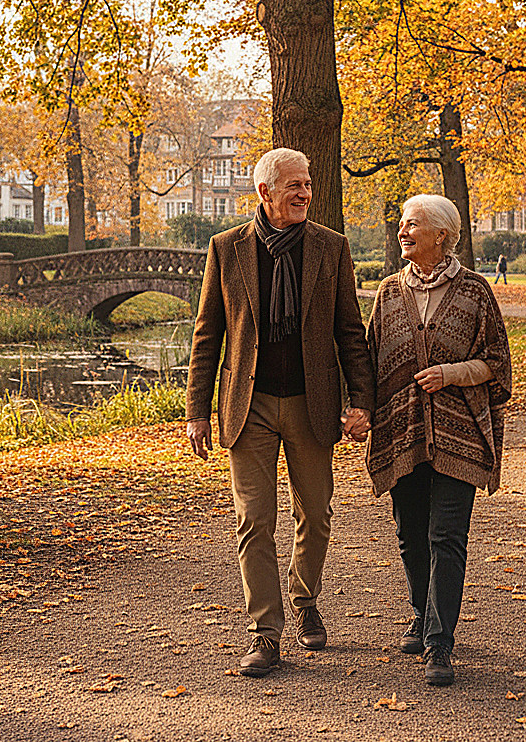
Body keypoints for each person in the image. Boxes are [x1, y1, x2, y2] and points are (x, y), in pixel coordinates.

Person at [185, 148, 375, 678]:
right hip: (249, 406)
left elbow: (349, 332)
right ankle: (266, 634)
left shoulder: (331, 248)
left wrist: (361, 402)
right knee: (254, 521)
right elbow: (208, 336)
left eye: (309, 184)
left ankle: (305, 596)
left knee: (315, 514)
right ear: (265, 192)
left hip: (313, 404)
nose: (305, 193)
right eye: (294, 185)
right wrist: (197, 411)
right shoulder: (227, 249)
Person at [365, 195, 512, 687]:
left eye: (412, 226)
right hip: (401, 430)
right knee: (410, 535)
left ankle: (439, 642)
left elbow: (498, 363)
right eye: (402, 226)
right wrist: (358, 410)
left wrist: (452, 373)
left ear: (441, 235)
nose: (402, 233)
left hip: (459, 432)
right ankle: (422, 614)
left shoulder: (475, 292)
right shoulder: (387, 293)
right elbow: (367, 362)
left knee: (446, 537)